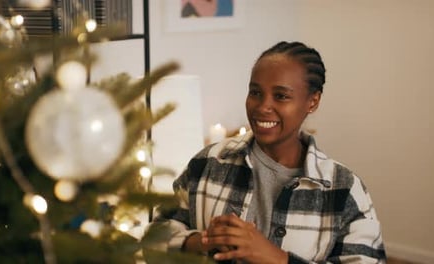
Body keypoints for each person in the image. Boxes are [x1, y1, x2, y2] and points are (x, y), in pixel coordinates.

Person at [151, 41, 386, 263]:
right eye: (255, 92)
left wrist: (275, 257)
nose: (262, 107)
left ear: (312, 102)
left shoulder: (344, 189)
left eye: (281, 96)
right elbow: (154, 237)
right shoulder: (208, 163)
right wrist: (203, 241)